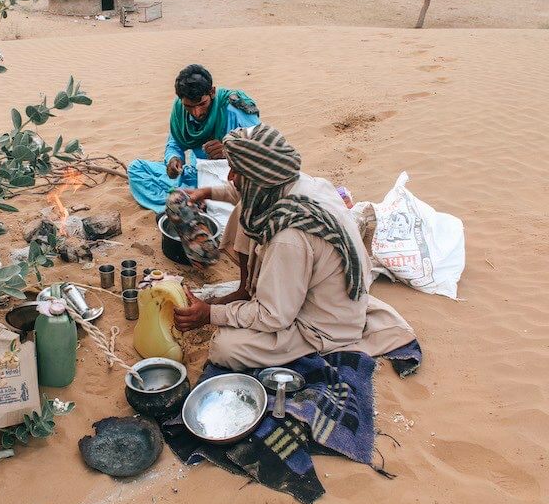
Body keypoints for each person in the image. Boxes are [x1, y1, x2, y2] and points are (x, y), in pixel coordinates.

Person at [173, 124, 415, 370]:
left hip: (319, 323)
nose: (230, 177)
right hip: (309, 292)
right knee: (245, 211)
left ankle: (253, 299)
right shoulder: (303, 184)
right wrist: (207, 192)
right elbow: (246, 193)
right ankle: (247, 291)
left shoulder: (288, 238)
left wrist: (211, 315)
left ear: (258, 176)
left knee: (224, 347)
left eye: (236, 171)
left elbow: (273, 317)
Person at [165, 64, 260, 179]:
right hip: (200, 172)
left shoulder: (235, 109)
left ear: (212, 92)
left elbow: (263, 147)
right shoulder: (180, 112)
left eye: (202, 104)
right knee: (138, 168)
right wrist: (173, 159)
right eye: (189, 106)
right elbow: (174, 143)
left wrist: (229, 151)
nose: (197, 113)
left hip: (236, 177)